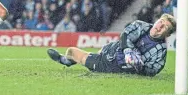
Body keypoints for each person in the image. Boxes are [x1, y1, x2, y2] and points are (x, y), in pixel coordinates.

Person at [47, 14, 176, 76]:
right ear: (157, 20)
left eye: (165, 27)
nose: (160, 26)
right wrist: (128, 51)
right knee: (102, 49)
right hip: (112, 48)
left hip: (109, 64)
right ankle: (68, 61)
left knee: (72, 51)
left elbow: (153, 70)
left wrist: (139, 67)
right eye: (161, 22)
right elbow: (125, 35)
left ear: (167, 35)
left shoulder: (160, 51)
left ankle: (65, 60)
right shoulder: (140, 25)